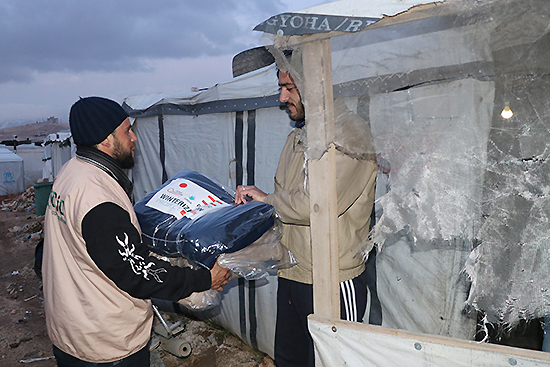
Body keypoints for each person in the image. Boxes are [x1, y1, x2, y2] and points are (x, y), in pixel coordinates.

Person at [43, 96, 230, 367]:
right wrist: (203, 279)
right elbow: (137, 273)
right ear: (105, 140)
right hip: (105, 345)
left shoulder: (71, 172)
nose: (134, 138)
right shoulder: (98, 199)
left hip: (71, 329)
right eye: (127, 131)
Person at [235, 69, 378, 367]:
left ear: (317, 87)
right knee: (292, 360)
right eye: (281, 88)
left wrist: (266, 200)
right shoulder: (297, 137)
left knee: (336, 362)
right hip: (293, 272)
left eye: (289, 88)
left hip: (332, 279)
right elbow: (283, 207)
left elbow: (316, 205)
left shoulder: (350, 135)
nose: (281, 97)